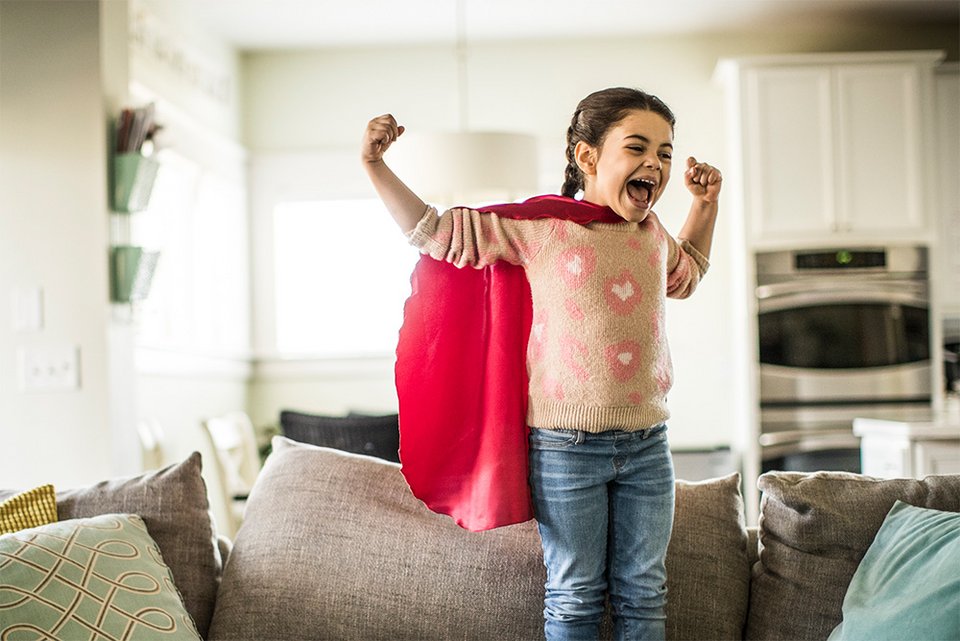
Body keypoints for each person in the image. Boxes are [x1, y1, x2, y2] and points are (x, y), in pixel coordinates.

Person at [361, 87, 721, 641]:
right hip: (565, 449)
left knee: (644, 592)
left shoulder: (651, 234)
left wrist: (705, 206)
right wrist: (374, 165)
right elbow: (434, 232)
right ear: (587, 157)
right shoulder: (542, 228)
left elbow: (687, 275)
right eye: (638, 147)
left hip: (649, 445)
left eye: (666, 152)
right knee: (576, 594)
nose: (656, 163)